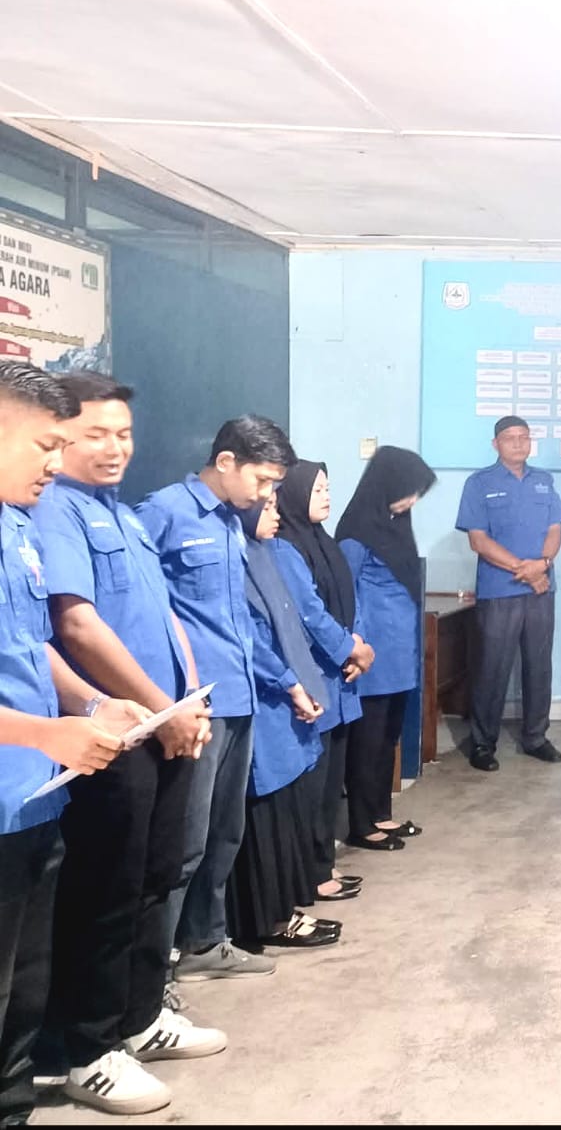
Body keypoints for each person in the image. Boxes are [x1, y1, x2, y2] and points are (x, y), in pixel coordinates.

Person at [31, 372, 224, 1113]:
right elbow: (76, 625)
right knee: (104, 890)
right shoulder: (56, 511)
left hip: (165, 724)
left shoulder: (121, 512)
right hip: (113, 735)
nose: (115, 448)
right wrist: (161, 709)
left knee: (154, 876)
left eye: (124, 434)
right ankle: (85, 1050)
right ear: (60, 437)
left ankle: (139, 1019)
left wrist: (190, 700)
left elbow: (166, 614)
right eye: (96, 434)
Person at [0, 362, 144, 1121]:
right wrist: (47, 731)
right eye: (45, 445)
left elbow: (31, 649)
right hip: (9, 789)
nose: (55, 464)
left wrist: (91, 702)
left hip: (33, 797)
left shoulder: (19, 530)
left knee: (24, 987)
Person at [140, 415, 294, 985]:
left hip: (239, 695)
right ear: (226, 462)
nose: (267, 494)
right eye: (262, 479)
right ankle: (152, 977)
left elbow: (237, 620)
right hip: (195, 707)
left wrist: (280, 679)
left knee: (223, 834)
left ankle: (205, 942)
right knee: (181, 844)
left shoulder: (232, 522)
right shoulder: (163, 513)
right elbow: (139, 609)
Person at [228, 492, 338, 952]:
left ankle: (284, 909)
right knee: (263, 816)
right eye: (267, 505)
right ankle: (267, 921)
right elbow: (250, 638)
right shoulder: (235, 557)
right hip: (265, 700)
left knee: (287, 809)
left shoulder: (266, 553)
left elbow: (291, 625)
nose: (275, 514)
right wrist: (289, 683)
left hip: (288, 698)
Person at [270, 462, 374, 887]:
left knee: (332, 782)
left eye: (328, 488)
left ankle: (324, 864)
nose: (326, 497)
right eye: (317, 490)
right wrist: (349, 649)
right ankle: (312, 873)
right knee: (314, 784)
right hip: (317, 676)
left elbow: (351, 596)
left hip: (343, 678)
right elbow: (309, 613)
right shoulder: (286, 547)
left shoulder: (325, 542)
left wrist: (357, 642)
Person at [455, 417, 561, 772]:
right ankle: (482, 743)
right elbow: (478, 540)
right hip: (499, 591)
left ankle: (536, 738)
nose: (518, 443)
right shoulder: (479, 483)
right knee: (492, 668)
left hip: (541, 590)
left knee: (539, 666)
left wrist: (543, 564)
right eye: (509, 438)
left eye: (524, 437)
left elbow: (555, 529)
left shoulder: (544, 481)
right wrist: (525, 569)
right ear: (496, 444)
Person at [337, 447, 437, 844]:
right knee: (368, 738)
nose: (411, 501)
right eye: (408, 491)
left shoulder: (396, 526)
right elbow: (345, 593)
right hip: (371, 654)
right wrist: (354, 645)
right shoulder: (357, 531)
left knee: (388, 737)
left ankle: (381, 814)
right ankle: (362, 824)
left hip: (400, 651)